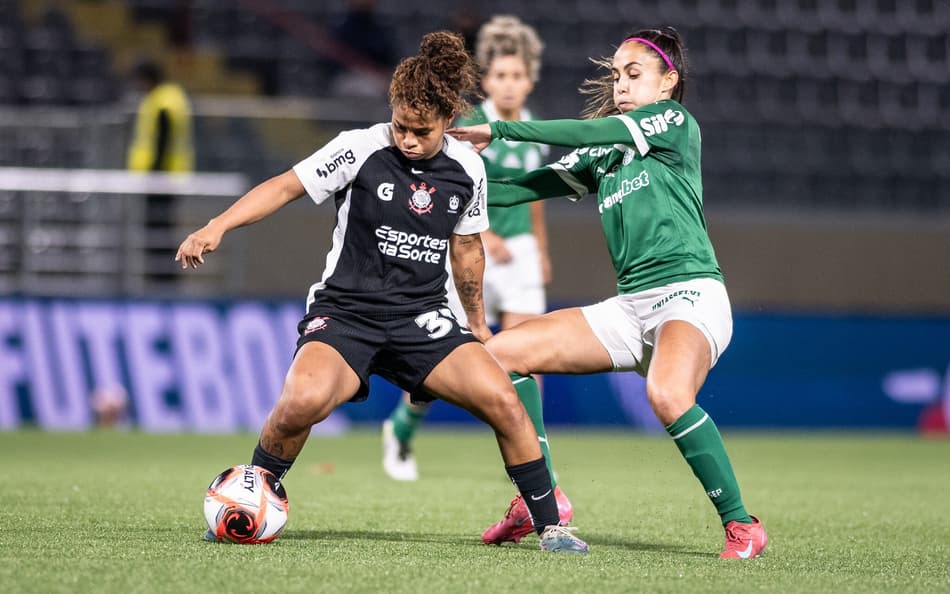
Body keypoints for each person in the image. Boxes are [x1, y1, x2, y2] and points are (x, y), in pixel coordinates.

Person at [175, 31, 588, 554]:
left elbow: (466, 251)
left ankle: (550, 525)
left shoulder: (467, 168)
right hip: (346, 314)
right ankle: (255, 492)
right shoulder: (359, 148)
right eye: (401, 126)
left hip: (423, 318)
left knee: (504, 400)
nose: (409, 139)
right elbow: (284, 186)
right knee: (300, 402)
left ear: (447, 121)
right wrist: (217, 226)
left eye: (422, 131)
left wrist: (478, 323)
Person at [448, 27, 769, 558]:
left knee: (667, 395)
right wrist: (452, 181)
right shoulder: (608, 150)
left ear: (668, 82)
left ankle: (742, 524)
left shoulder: (673, 123)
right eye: (616, 75)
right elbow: (528, 187)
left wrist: (499, 129)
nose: (621, 84)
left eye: (634, 74)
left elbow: (576, 134)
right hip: (630, 306)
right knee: (500, 355)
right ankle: (541, 496)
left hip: (689, 294)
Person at [380, 14, 572, 546]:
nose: (509, 84)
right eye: (501, 76)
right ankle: (401, 429)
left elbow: (534, 198)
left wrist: (542, 250)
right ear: (487, 82)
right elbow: (452, 197)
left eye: (518, 76)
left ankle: (543, 482)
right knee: (442, 366)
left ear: (529, 81)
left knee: (526, 361)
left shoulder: (532, 132)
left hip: (523, 257)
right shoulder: (469, 128)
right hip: (472, 255)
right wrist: (484, 242)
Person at [126, 60, 194, 286]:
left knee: (158, 228)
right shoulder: (171, 97)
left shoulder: (162, 101)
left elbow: (162, 142)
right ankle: (163, 276)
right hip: (168, 176)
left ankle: (161, 278)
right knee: (163, 227)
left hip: (161, 177)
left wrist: (154, 173)